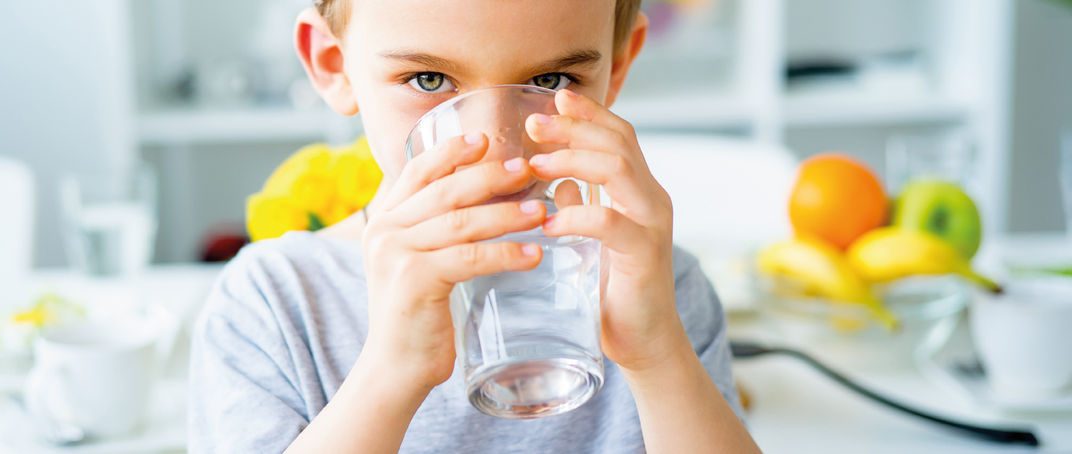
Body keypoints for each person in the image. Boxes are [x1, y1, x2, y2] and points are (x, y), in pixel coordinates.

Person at [190, 0, 761, 452]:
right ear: (332, 65)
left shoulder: (661, 287)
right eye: (430, 81)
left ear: (618, 65)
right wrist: (391, 372)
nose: (497, 147)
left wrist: (659, 355)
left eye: (554, 80)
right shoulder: (274, 304)